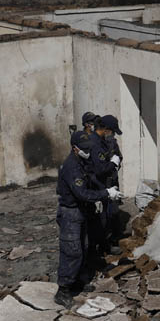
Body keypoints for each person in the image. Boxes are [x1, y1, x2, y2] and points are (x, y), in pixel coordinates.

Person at [56, 131, 120, 307]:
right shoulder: (71, 167)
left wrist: (106, 191)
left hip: (81, 211)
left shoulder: (82, 161)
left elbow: (92, 178)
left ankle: (77, 282)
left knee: (83, 247)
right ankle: (63, 290)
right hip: (71, 213)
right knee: (72, 250)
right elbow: (81, 193)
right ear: (75, 149)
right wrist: (105, 194)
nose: (88, 151)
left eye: (88, 148)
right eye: (84, 149)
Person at [92, 115, 123, 256]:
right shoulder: (95, 143)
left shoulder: (108, 141)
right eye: (113, 131)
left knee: (111, 214)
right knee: (100, 218)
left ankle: (107, 244)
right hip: (99, 184)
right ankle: (99, 250)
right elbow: (99, 169)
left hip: (109, 182)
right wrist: (112, 163)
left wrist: (116, 163)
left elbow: (117, 156)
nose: (114, 134)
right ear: (106, 129)